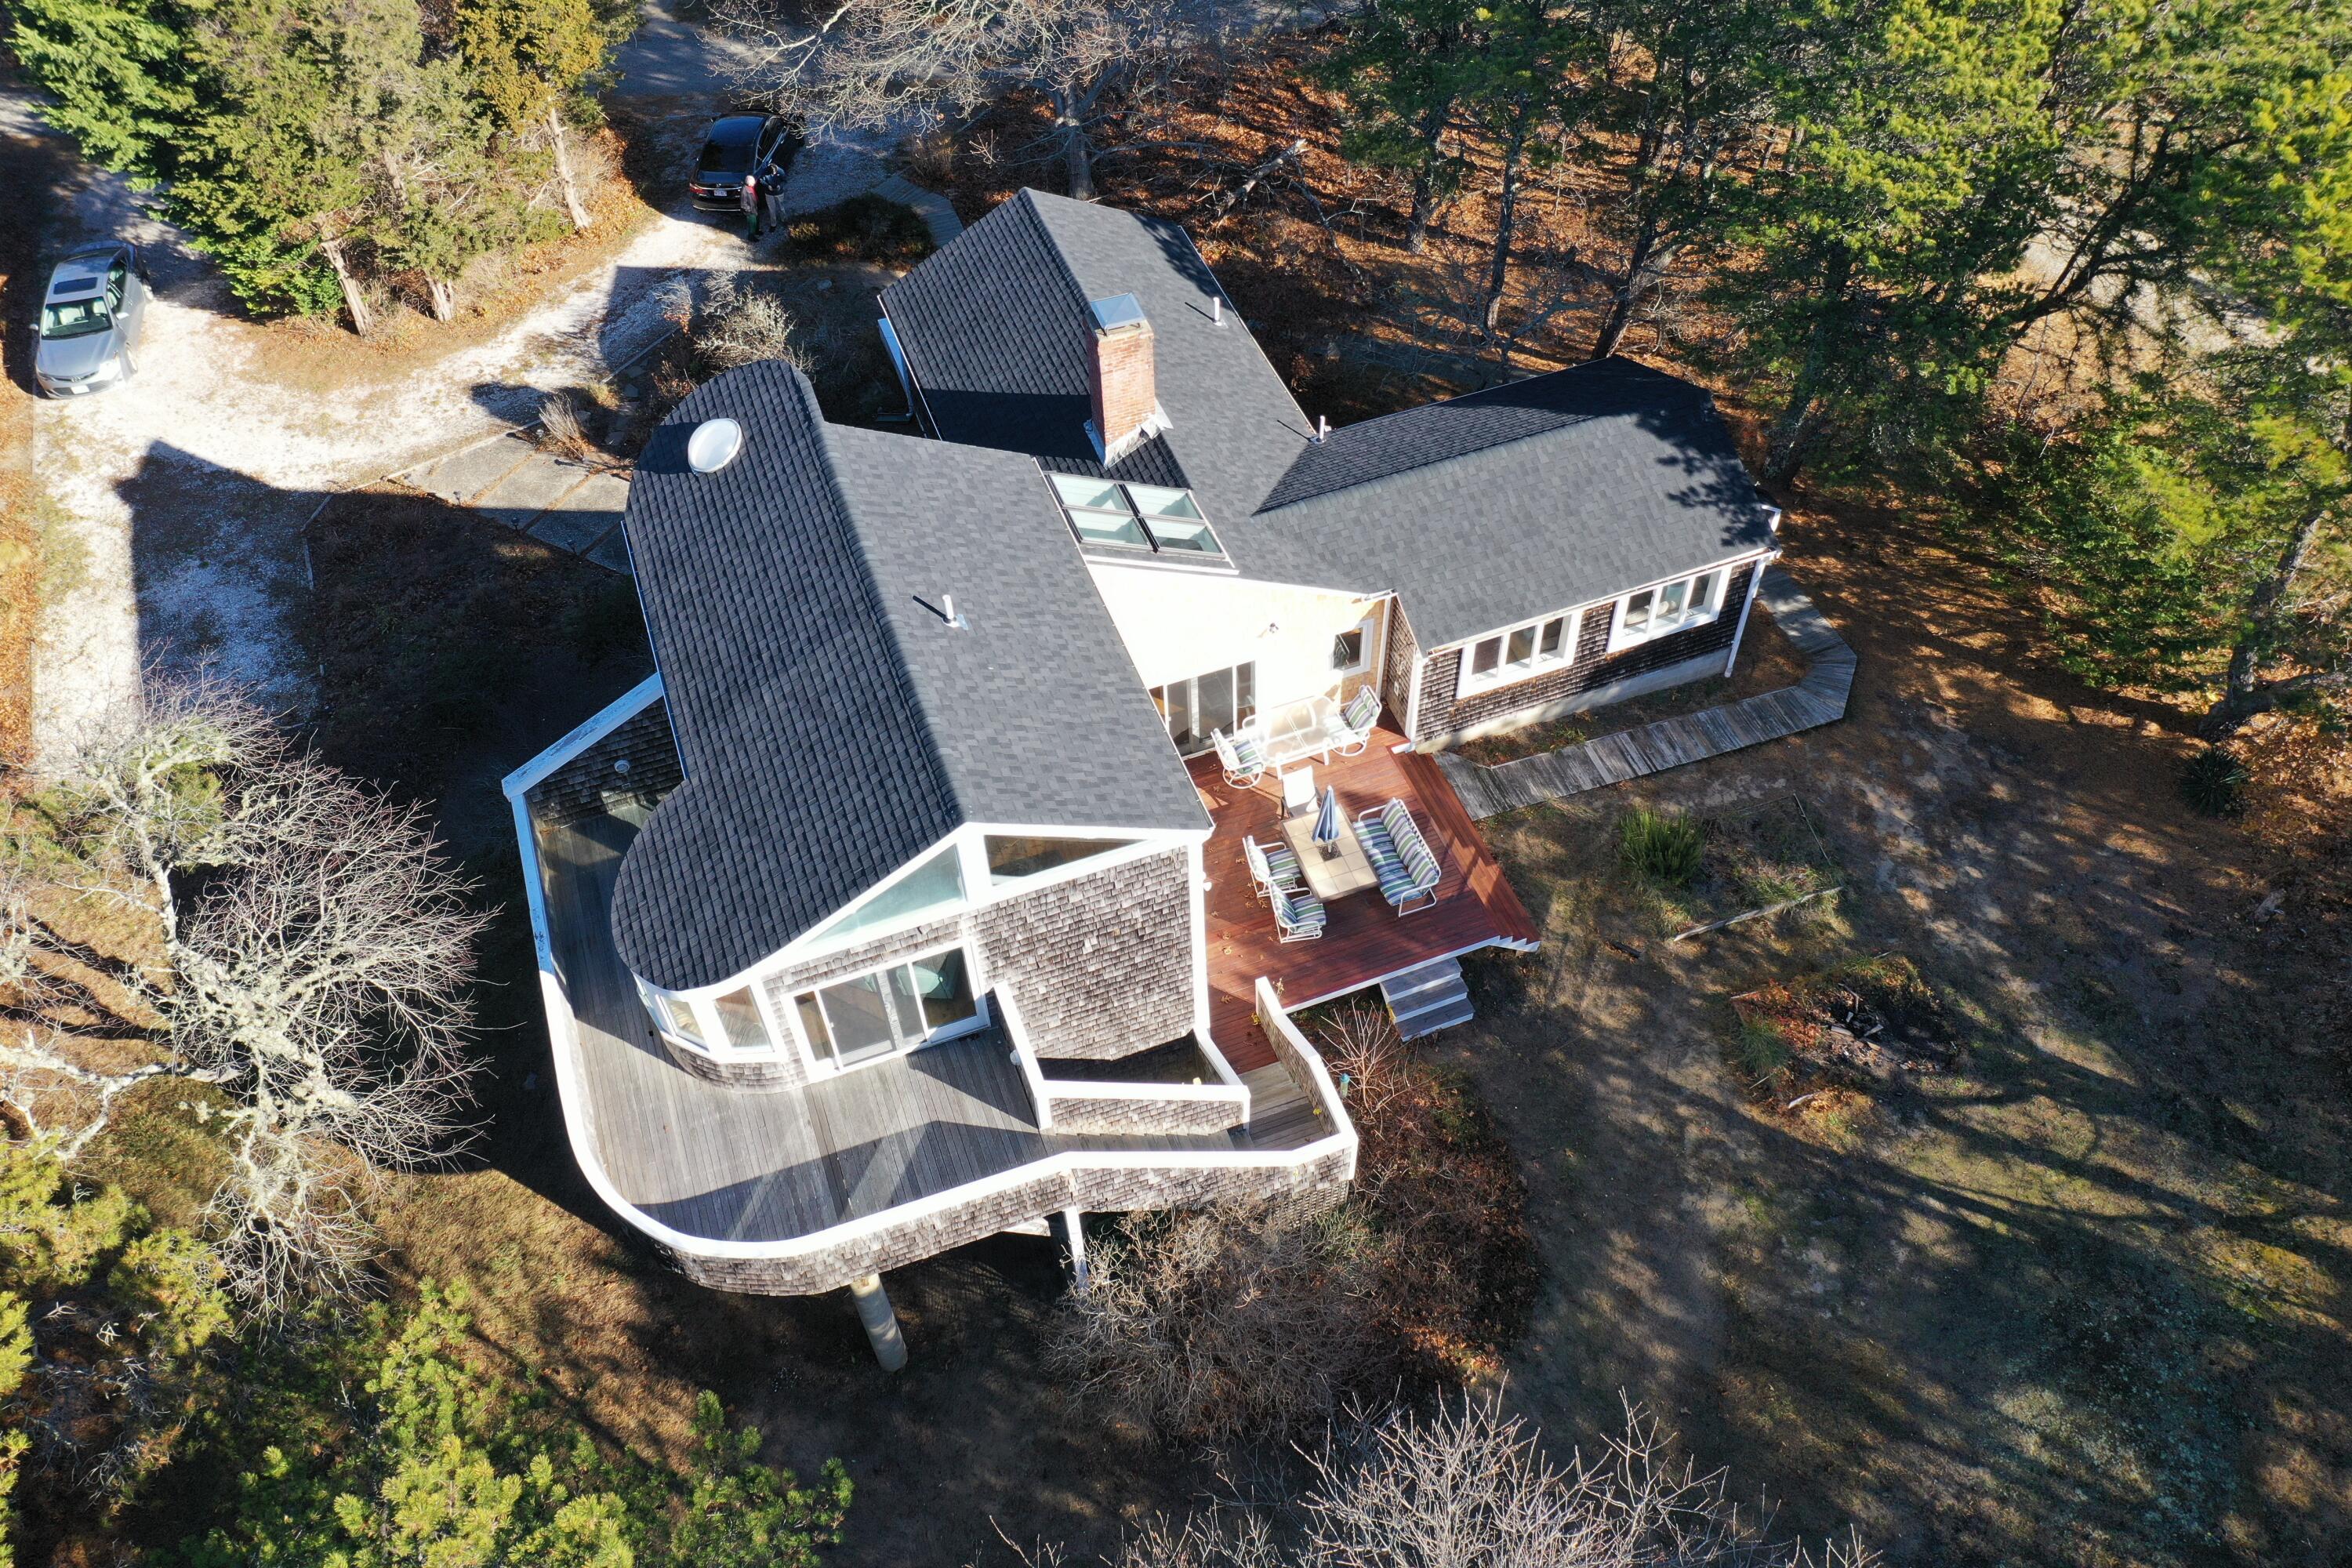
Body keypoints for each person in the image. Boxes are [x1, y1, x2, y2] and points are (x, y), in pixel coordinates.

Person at [741, 169, 762, 241]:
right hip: (750, 211)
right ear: (749, 183)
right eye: (753, 183)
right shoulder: (744, 191)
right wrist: (750, 211)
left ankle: (757, 231)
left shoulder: (750, 187)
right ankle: (751, 237)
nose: (754, 184)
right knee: (752, 223)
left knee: (757, 220)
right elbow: (743, 204)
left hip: (754, 208)